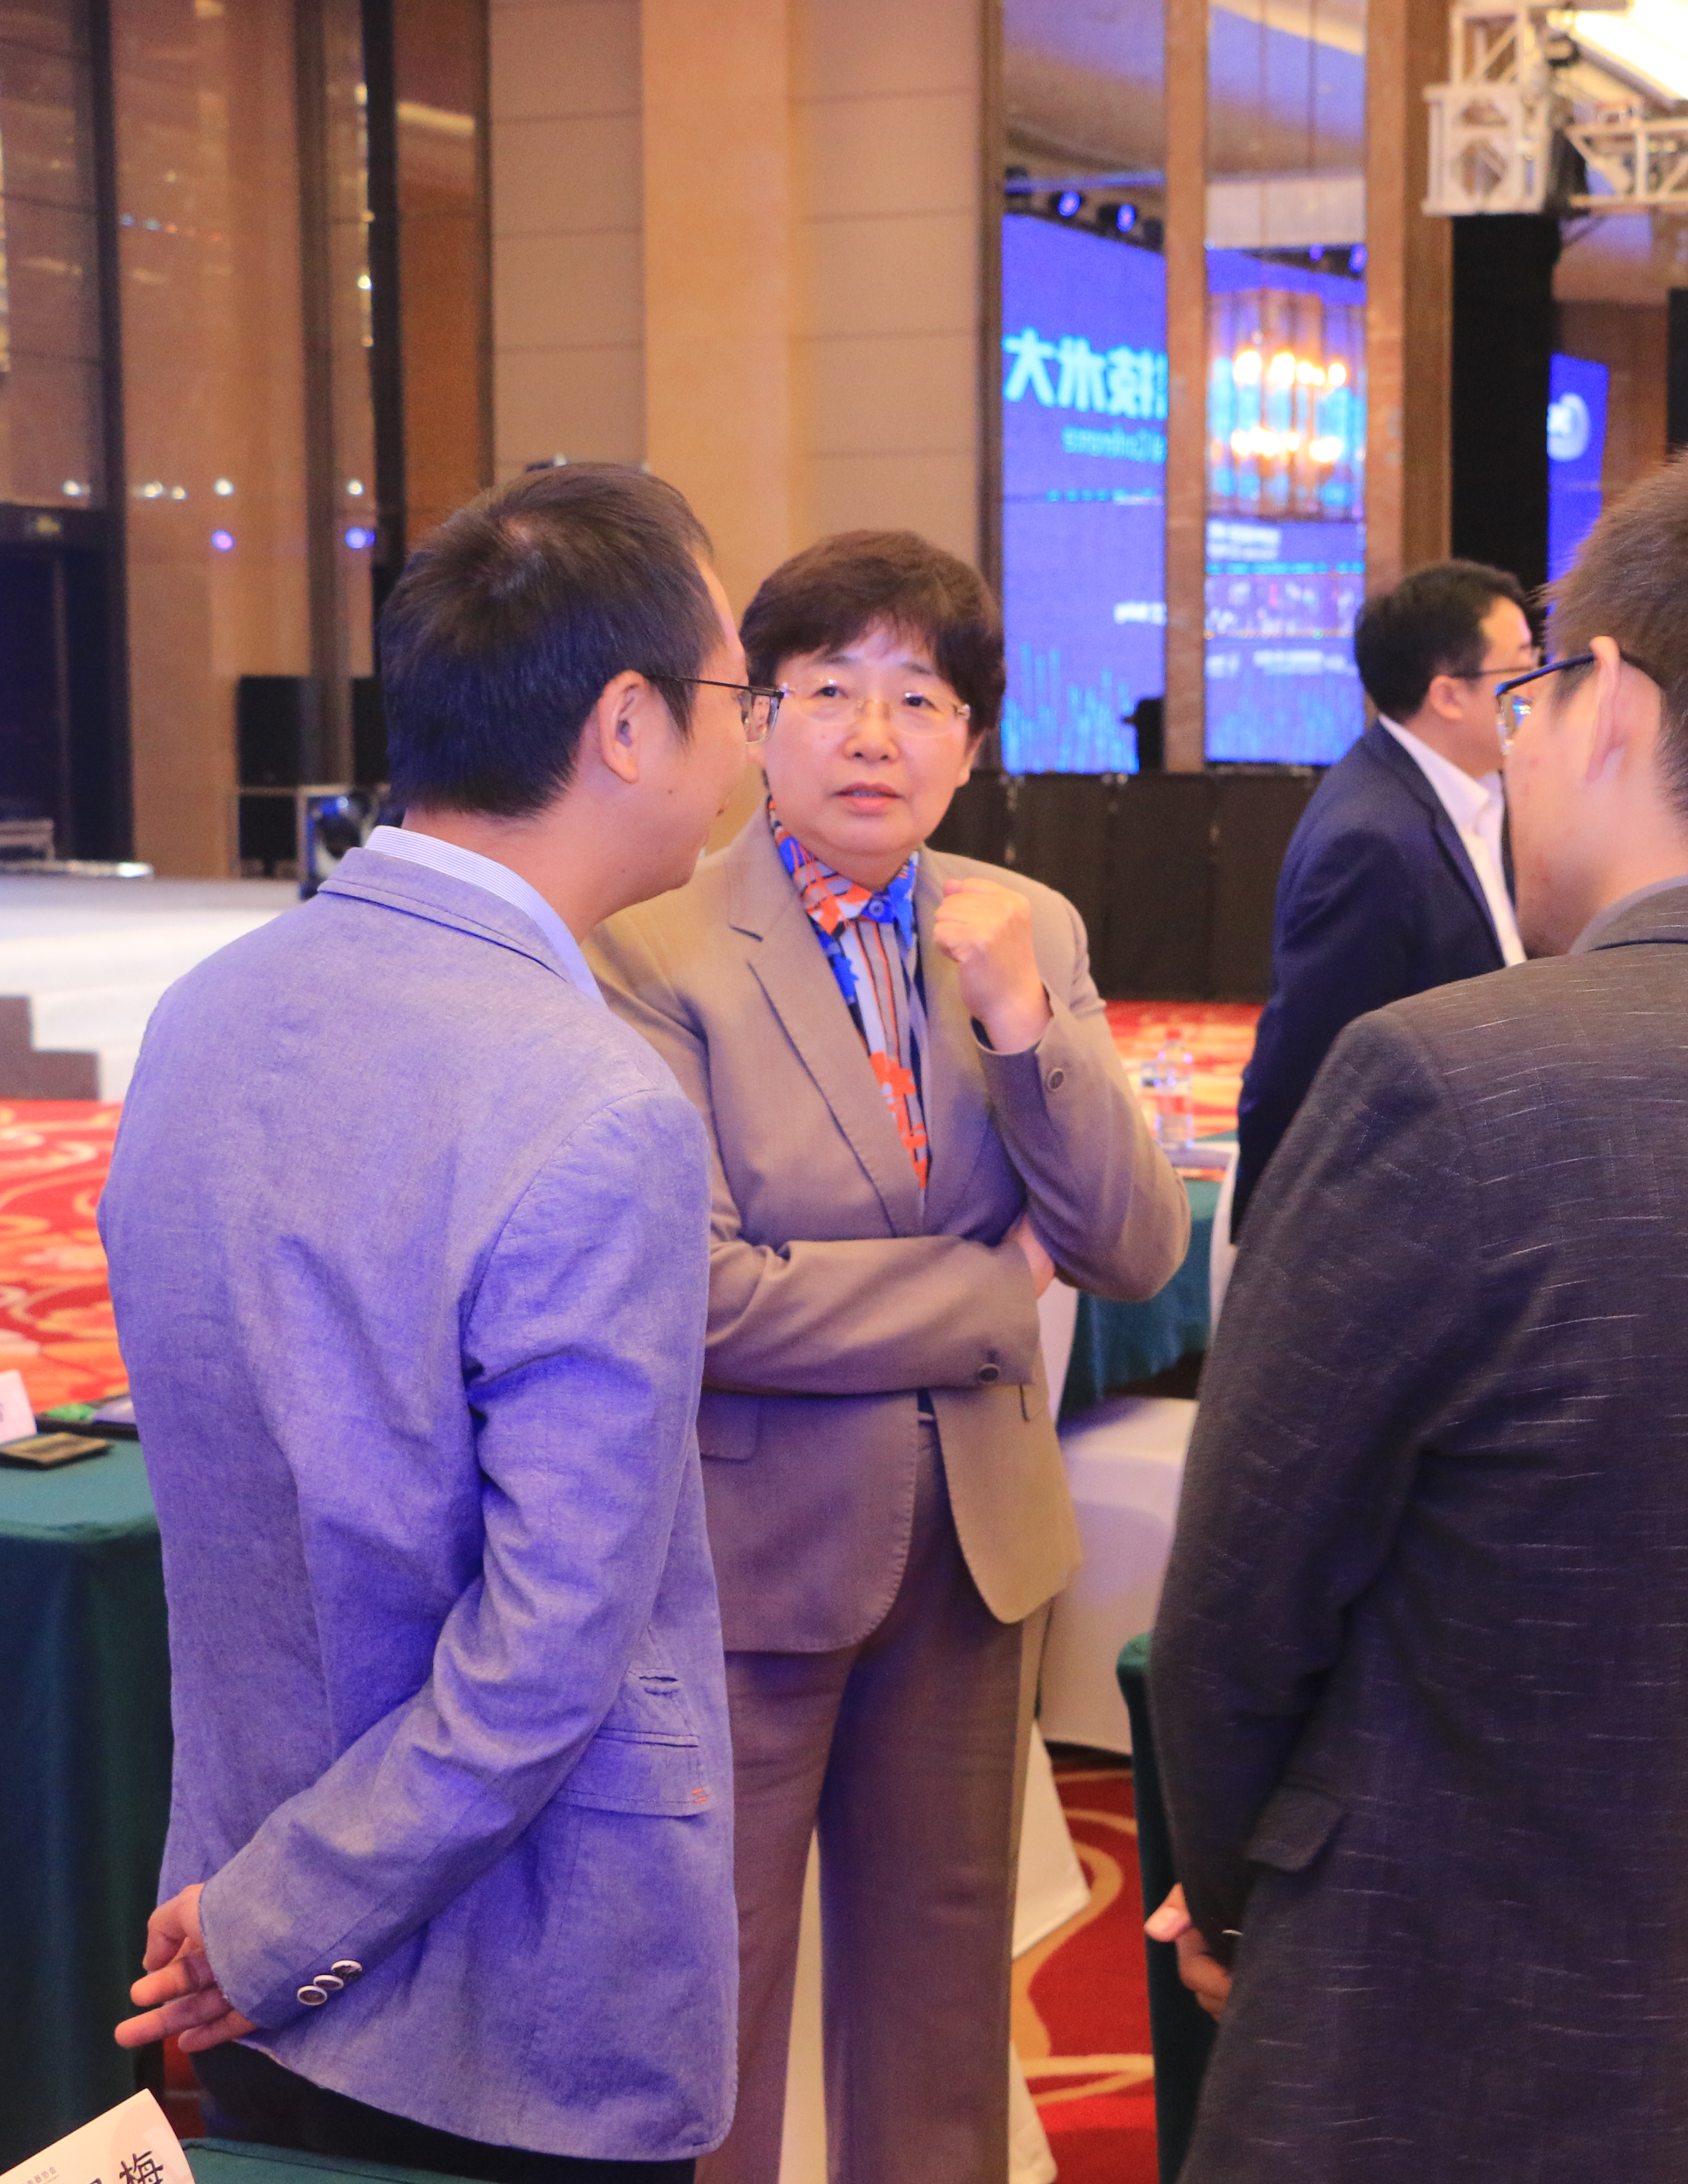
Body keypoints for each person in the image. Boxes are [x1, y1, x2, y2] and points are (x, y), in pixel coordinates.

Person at [1145, 442, 1688, 2183]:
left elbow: (1239, 1600)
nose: (1521, 743)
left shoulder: (1448, 1083)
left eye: (1536, 693)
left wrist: (1241, 1883)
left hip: (1418, 2034)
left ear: (1612, 698)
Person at [100, 465, 755, 2181]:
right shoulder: (591, 1102)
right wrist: (286, 1919)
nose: (751, 742)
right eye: (738, 693)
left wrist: (259, 1916)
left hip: (242, 1923)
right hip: (505, 1998)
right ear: (630, 724)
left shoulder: (205, 1014)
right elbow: (549, 1654)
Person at [587, 530, 1189, 2184]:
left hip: (975, 1559)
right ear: (757, 725)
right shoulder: (654, 953)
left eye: (918, 698)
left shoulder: (1027, 931)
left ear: (973, 741)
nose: (872, 735)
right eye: (830, 691)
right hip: (750, 1558)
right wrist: (994, 1298)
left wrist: (1025, 1029)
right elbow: (700, 1295)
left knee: (940, 2013)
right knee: (713, 2004)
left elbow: (1134, 1248)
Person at [1230, 559, 1533, 1233]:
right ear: (1449, 695)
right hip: (1390, 1223)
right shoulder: (1372, 839)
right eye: (1519, 669)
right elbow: (1306, 1068)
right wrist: (1279, 1247)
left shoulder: (1466, 795)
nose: (1534, 692)